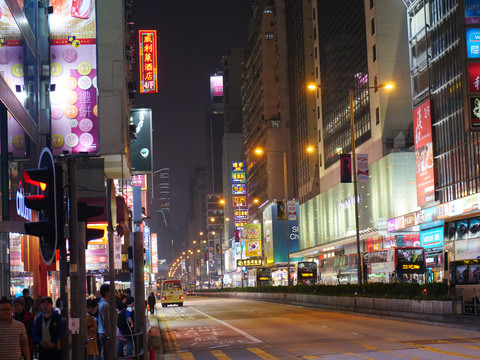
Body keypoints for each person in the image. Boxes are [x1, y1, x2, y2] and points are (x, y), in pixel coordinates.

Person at [98, 283, 112, 360]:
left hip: (103, 332)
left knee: (106, 353)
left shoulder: (102, 303)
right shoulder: (105, 305)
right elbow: (106, 322)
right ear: (107, 292)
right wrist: (109, 335)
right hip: (105, 333)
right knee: (107, 354)